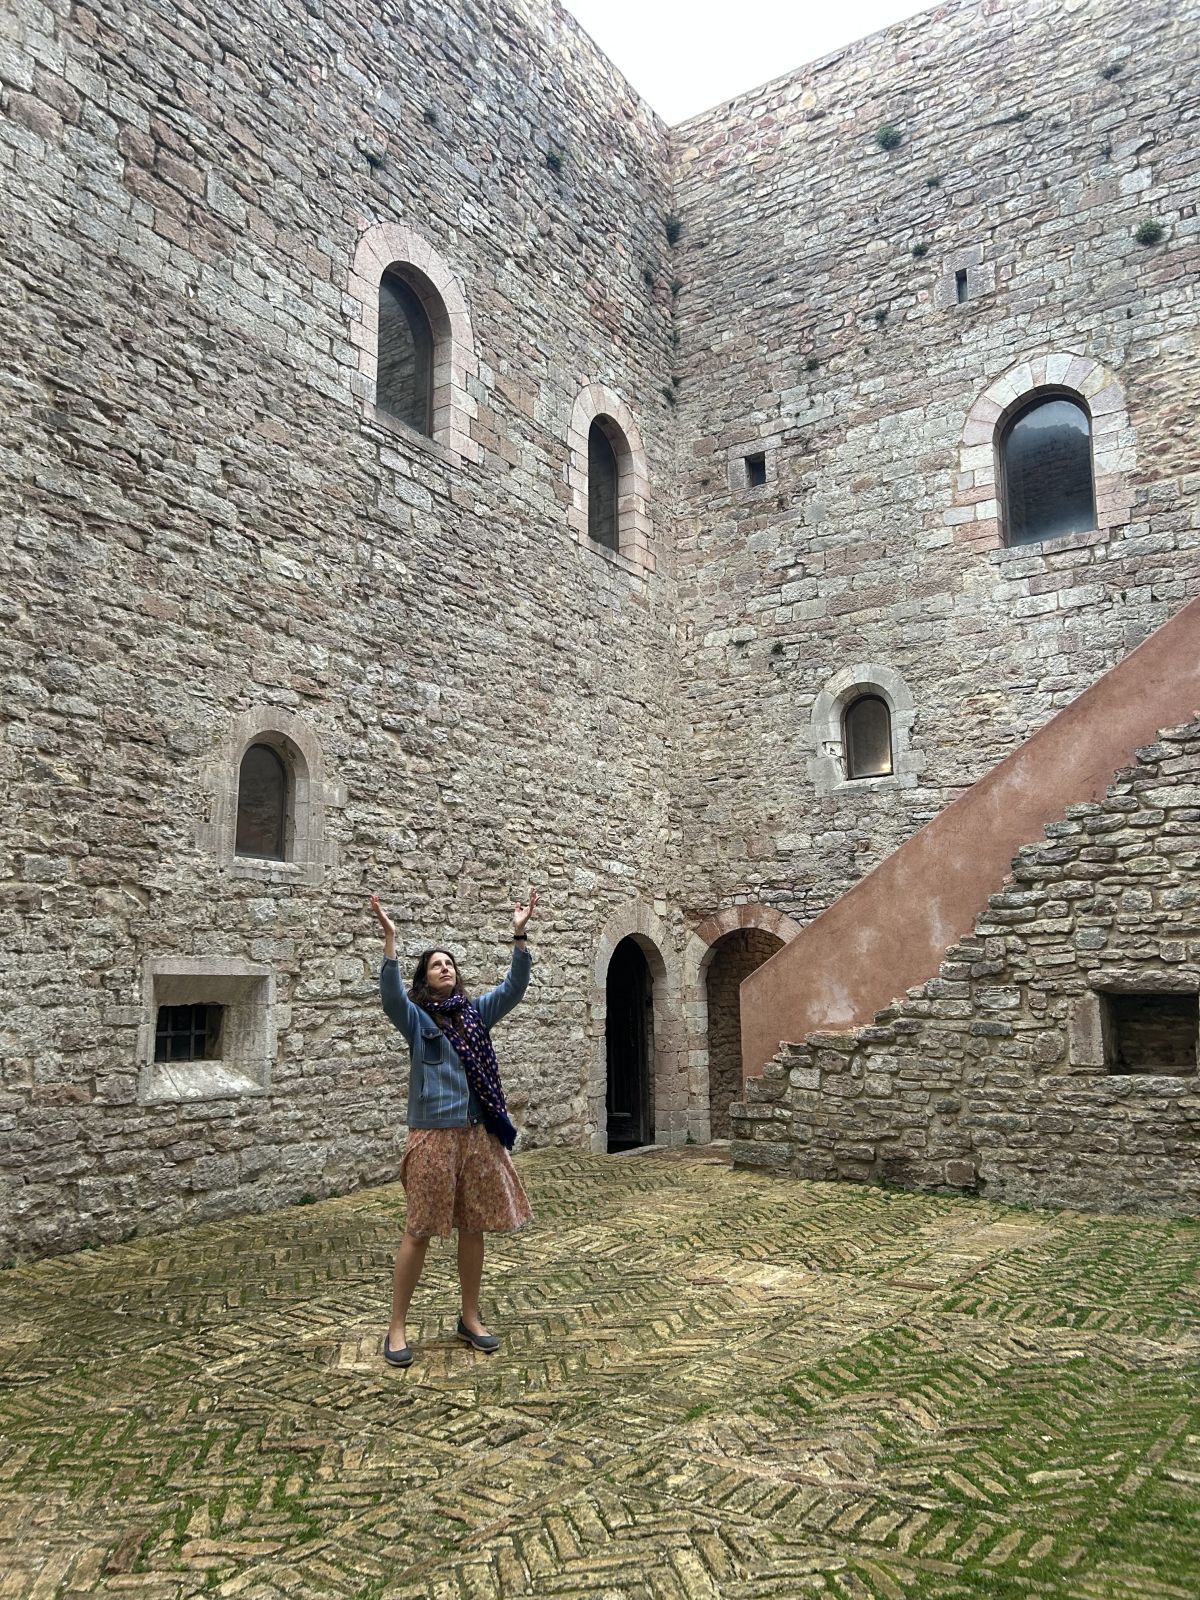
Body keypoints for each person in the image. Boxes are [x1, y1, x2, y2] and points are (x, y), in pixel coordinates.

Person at [370, 890, 538, 1368]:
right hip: (433, 1136)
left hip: (478, 1134)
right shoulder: (417, 1018)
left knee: (475, 1226)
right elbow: (390, 996)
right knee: (420, 1228)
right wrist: (390, 940)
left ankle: (470, 1317)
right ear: (424, 979)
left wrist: (519, 934)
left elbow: (514, 988)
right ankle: (397, 1327)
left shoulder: (475, 1014)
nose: (445, 967)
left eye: (449, 963)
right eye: (435, 965)